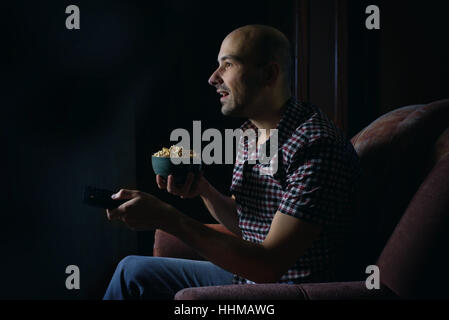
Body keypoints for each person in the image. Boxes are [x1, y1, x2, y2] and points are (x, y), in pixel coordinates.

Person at [103, 24, 360, 300]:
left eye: (227, 65)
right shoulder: (252, 132)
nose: (213, 78)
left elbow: (268, 266)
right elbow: (249, 223)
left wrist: (168, 217)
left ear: (269, 74)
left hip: (289, 290)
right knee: (132, 271)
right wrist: (203, 189)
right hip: (251, 278)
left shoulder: (314, 146)